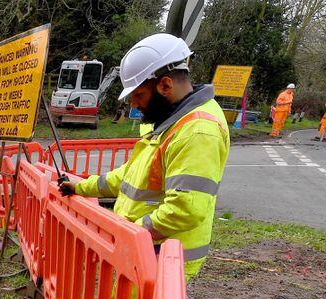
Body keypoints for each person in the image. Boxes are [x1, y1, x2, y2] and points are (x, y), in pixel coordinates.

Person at [59, 33, 229, 280]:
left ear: (165, 86)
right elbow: (132, 175)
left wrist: (130, 235)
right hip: (144, 251)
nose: (134, 106)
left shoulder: (197, 131)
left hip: (161, 259)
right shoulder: (170, 123)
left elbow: (184, 210)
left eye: (138, 96)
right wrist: (82, 186)